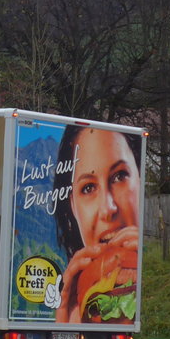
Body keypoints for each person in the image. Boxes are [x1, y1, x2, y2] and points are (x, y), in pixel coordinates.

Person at [53, 126, 141, 324]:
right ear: (73, 208)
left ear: (140, 181)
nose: (108, 208)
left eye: (119, 176)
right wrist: (65, 319)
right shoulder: (76, 305)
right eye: (88, 188)